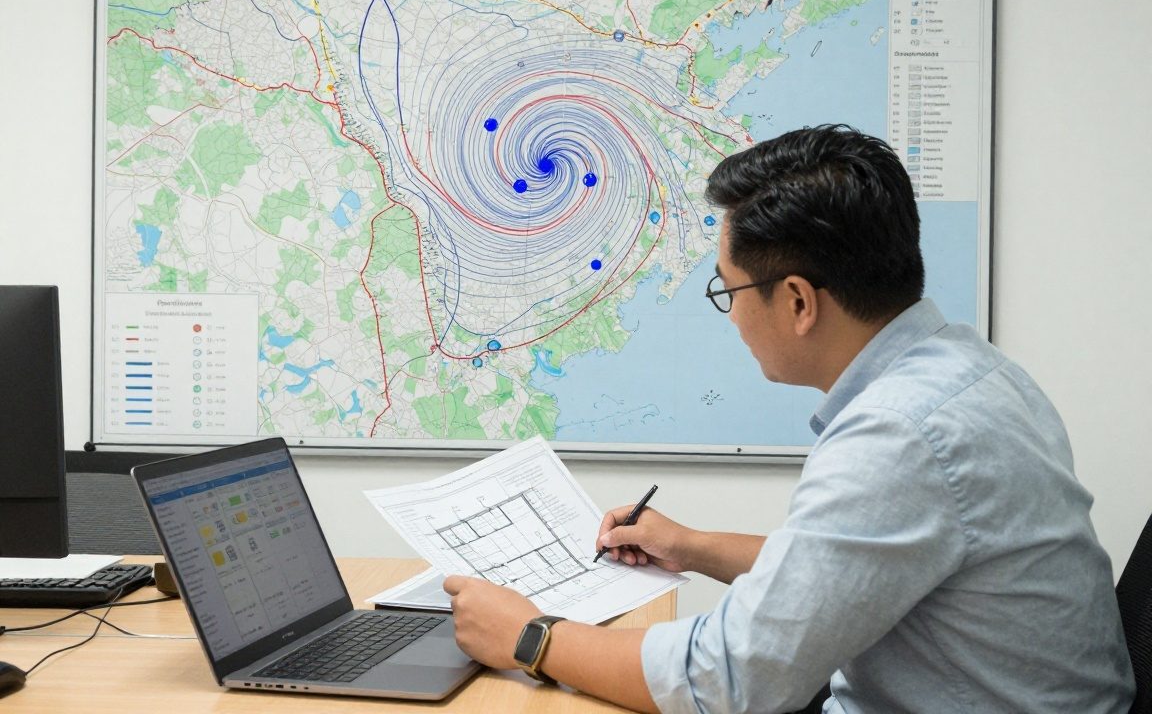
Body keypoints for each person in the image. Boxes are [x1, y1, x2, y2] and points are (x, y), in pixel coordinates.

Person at [444, 124, 1136, 713]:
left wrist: (532, 635)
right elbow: (851, 571)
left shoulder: (900, 434)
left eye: (730, 289)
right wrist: (691, 546)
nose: (733, 315)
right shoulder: (969, 370)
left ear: (800, 302)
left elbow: (732, 679)